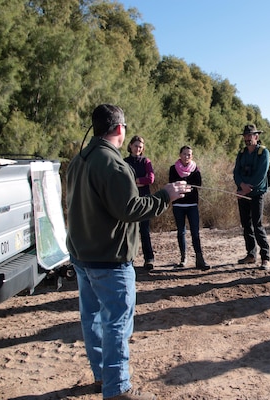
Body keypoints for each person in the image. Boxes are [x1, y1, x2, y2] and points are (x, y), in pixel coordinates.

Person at [66, 104, 190, 400]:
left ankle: (101, 376)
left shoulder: (78, 161)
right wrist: (165, 196)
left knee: (92, 319)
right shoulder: (114, 165)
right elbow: (130, 209)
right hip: (109, 260)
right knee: (116, 324)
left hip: (82, 256)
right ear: (120, 129)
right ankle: (117, 387)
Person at [233, 124, 270, 270]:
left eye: (251, 135)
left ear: (256, 136)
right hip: (242, 193)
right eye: (246, 136)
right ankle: (251, 254)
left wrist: (245, 190)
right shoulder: (241, 153)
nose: (248, 138)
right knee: (246, 225)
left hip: (257, 194)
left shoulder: (264, 153)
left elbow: (260, 176)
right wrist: (241, 185)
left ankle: (266, 257)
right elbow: (236, 172)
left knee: (258, 225)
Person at [169, 145, 210, 270]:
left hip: (192, 205)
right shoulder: (173, 169)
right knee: (181, 231)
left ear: (192, 156)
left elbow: (198, 185)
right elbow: (173, 184)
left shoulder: (195, 169)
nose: (187, 156)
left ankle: (199, 258)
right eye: (184, 154)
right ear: (180, 155)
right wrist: (187, 187)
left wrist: (185, 187)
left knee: (195, 232)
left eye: (189, 154)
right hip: (178, 204)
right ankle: (183, 258)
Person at [124, 135, 156, 271]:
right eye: (136, 145)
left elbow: (150, 178)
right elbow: (123, 178)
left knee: (144, 230)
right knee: (129, 231)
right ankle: (128, 258)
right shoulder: (124, 162)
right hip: (129, 199)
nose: (138, 148)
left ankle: (149, 259)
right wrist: (136, 182)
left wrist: (136, 181)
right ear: (130, 146)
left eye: (140, 147)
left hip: (144, 200)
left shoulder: (145, 161)